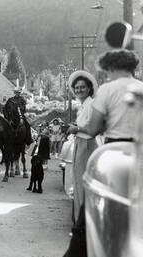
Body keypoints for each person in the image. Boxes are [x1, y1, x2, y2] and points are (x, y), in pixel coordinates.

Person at [63, 49, 143, 257]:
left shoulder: (108, 89)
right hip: (139, 151)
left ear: (112, 68)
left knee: (93, 199)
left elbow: (93, 129)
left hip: (115, 149)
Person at [67, 70, 99, 223]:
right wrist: (75, 127)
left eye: (82, 87)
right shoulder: (82, 106)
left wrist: (77, 129)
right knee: (78, 183)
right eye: (77, 87)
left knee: (82, 184)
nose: (79, 90)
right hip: (80, 144)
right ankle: (80, 223)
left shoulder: (92, 104)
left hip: (87, 145)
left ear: (89, 89)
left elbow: (95, 129)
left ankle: (83, 225)